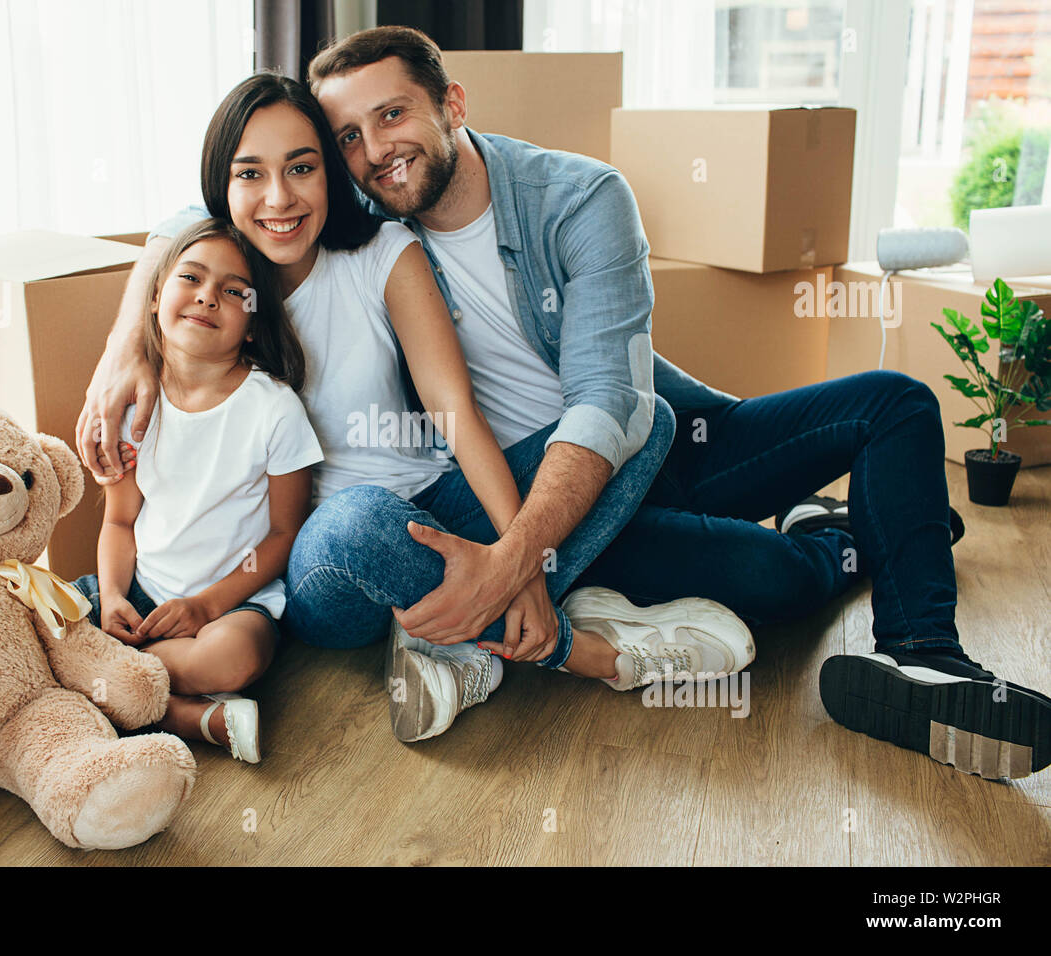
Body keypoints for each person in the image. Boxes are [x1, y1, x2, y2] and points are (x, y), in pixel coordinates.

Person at [299, 25, 1051, 779]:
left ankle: (924, 659)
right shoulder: (366, 240)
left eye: (392, 114)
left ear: (452, 104)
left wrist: (508, 569)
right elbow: (230, 220)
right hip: (560, 506)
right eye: (349, 136)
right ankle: (848, 534)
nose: (374, 150)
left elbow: (610, 399)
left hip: (667, 436)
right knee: (776, 582)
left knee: (895, 403)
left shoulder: (579, 194)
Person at [78, 72, 755, 744]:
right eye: (250, 175)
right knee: (358, 517)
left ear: (331, 172)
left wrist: (518, 563)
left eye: (302, 167)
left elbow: (455, 410)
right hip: (329, 558)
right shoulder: (211, 293)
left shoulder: (382, 252)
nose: (279, 197)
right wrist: (125, 346)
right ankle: (582, 652)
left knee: (645, 422)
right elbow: (170, 239)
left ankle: (445, 643)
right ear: (223, 188)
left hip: (434, 503)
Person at [71, 218, 324, 764]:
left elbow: (284, 535)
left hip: (233, 603)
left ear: (254, 324)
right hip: (140, 596)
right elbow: (118, 523)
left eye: (235, 291)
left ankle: (118, 685)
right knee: (41, 622)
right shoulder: (136, 404)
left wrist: (206, 606)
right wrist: (114, 596)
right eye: (192, 277)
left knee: (233, 660)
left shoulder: (272, 408)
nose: (209, 296)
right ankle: (188, 715)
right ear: (158, 295)